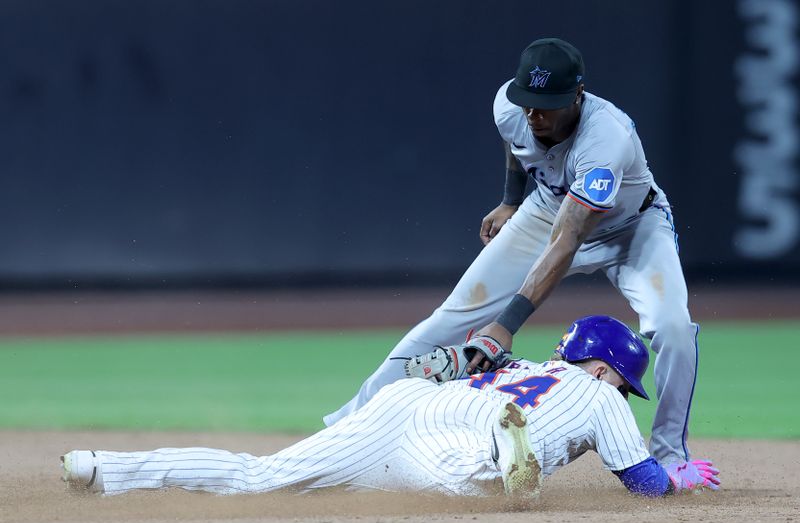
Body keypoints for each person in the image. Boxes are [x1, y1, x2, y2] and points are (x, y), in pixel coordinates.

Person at [324, 38, 700, 467]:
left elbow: (568, 239)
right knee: (452, 317)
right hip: (546, 209)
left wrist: (505, 325)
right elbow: (517, 143)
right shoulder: (511, 106)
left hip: (633, 228)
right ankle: (346, 430)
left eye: (547, 104)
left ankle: (670, 455)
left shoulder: (605, 140)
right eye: (528, 103)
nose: (534, 114)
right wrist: (510, 200)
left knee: (673, 327)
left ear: (578, 95)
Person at [61, 316, 719, 498]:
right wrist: (677, 482)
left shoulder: (531, 366)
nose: (622, 390)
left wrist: (461, 354)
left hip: (410, 406)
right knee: (488, 486)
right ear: (605, 368)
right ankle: (504, 467)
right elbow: (644, 482)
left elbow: (475, 357)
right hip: (459, 445)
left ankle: (102, 468)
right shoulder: (601, 394)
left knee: (258, 476)